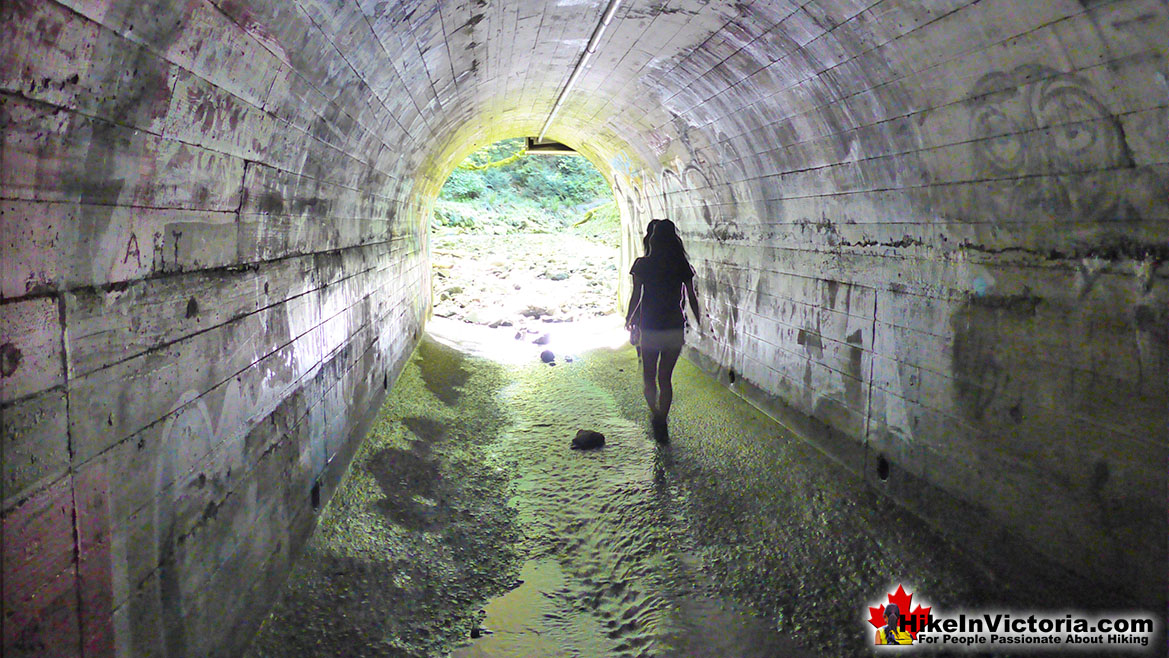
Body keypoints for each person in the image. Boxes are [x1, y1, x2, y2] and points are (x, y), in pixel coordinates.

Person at [624, 219, 701, 442]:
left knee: (649, 377)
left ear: (654, 239)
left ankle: (655, 414)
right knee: (665, 378)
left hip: (650, 327)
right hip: (674, 326)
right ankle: (662, 417)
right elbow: (691, 298)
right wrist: (700, 323)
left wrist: (630, 319)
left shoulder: (643, 264)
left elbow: (636, 295)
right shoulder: (681, 265)